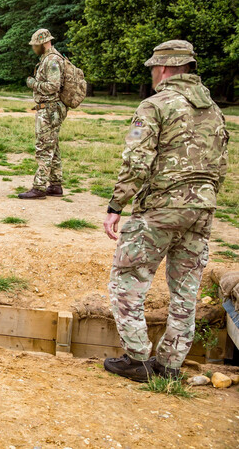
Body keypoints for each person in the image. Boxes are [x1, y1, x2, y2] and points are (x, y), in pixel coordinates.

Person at [102, 40, 229, 382]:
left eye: (154, 68)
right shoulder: (213, 109)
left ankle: (137, 359)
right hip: (201, 211)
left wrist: (116, 206)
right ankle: (171, 366)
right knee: (185, 292)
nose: (153, 74)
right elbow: (221, 166)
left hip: (160, 210)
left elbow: (136, 162)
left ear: (165, 68)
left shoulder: (154, 105)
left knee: (127, 281)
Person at [19, 28, 68, 200]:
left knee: (44, 148)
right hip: (48, 108)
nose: (33, 48)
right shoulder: (48, 59)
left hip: (49, 109)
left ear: (42, 43)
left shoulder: (52, 60)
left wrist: (33, 83)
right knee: (52, 147)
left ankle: (39, 187)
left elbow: (53, 86)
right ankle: (55, 185)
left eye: (35, 45)